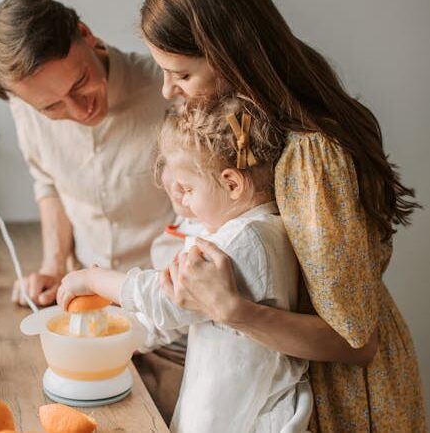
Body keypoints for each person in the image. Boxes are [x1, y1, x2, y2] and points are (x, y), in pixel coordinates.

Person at [138, 0, 427, 432]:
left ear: (229, 59)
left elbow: (356, 342)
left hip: (346, 398)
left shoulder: (309, 157)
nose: (168, 90)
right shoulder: (255, 131)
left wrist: (234, 311)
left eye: (182, 74)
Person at [57, 95, 313, 433]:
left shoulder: (240, 242)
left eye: (187, 190)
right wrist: (125, 337)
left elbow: (167, 298)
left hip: (241, 416)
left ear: (231, 183)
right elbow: (182, 313)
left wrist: (93, 279)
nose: (183, 206)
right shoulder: (264, 230)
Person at [0, 0, 174, 306]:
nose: (80, 111)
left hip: (164, 299)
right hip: (83, 294)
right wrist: (52, 266)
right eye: (51, 107)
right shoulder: (25, 107)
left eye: (79, 83)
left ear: (85, 33)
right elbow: (49, 181)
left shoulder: (168, 90)